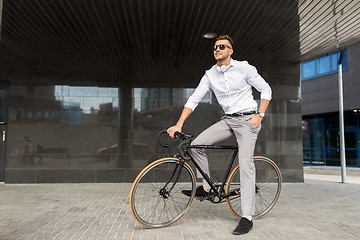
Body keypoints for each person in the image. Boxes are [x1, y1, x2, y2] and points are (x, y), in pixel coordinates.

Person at [167, 35, 271, 235]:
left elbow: (266, 89)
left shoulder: (244, 68)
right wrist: (179, 124)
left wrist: (260, 115)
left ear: (230, 51)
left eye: (222, 46)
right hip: (228, 120)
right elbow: (194, 99)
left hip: (248, 120)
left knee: (245, 163)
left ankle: (247, 217)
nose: (218, 49)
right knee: (196, 145)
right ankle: (207, 187)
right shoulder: (210, 75)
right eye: (215, 47)